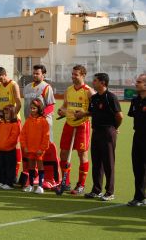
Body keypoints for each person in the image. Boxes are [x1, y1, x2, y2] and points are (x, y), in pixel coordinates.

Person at [78, 73, 123, 201]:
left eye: (95, 80)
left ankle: (109, 192)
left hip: (108, 131)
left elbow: (119, 116)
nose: (93, 82)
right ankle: (96, 190)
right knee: (96, 162)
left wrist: (114, 128)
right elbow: (93, 112)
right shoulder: (95, 98)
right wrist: (83, 114)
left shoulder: (111, 97)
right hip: (96, 131)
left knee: (108, 162)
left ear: (103, 83)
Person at [57, 65, 94, 194]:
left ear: (83, 75)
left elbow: (94, 110)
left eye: (75, 74)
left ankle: (81, 185)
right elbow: (65, 106)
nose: (73, 76)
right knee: (63, 153)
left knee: (82, 154)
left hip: (82, 125)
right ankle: (65, 183)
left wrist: (84, 113)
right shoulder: (68, 90)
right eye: (72, 74)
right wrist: (61, 111)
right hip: (69, 124)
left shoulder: (89, 91)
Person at [0, 67, 23, 178]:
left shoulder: (13, 85)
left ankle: (14, 174)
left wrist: (13, 117)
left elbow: (19, 103)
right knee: (3, 146)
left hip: (13, 121)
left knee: (15, 146)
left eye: (0, 77)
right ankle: (3, 173)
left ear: (5, 74)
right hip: (3, 121)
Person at [20, 98, 50, 194]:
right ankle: (31, 185)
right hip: (30, 149)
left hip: (39, 150)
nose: (32, 110)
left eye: (34, 108)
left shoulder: (43, 121)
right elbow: (23, 134)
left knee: (40, 167)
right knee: (31, 167)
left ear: (39, 109)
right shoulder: (28, 120)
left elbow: (46, 136)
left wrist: (42, 148)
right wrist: (24, 146)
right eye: (31, 108)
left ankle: (40, 186)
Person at [127, 74, 146, 206]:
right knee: (138, 168)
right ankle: (139, 197)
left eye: (139, 82)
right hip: (138, 137)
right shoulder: (135, 101)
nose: (136, 84)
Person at [0, 105, 21, 189]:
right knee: (2, 166)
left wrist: (5, 145)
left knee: (10, 167)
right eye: (5, 113)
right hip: (2, 149)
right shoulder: (2, 124)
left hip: (9, 150)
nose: (6, 115)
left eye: (8, 113)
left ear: (12, 114)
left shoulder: (15, 125)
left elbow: (13, 138)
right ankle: (3, 181)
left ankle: (9, 183)